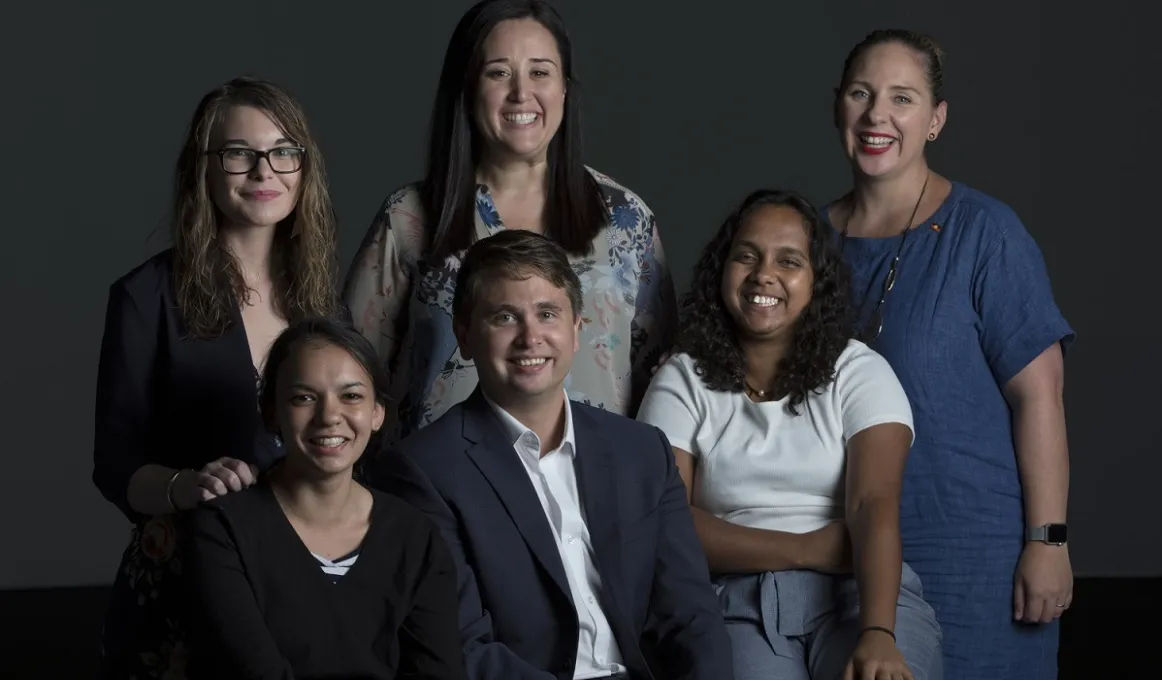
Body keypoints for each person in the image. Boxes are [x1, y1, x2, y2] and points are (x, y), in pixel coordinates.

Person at [823, 29, 1074, 679]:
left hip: (973, 558)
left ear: (935, 121)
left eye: (902, 99)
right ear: (837, 108)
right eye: (862, 93)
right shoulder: (805, 246)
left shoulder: (986, 234)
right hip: (843, 562)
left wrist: (1048, 542)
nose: (878, 115)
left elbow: (1040, 396)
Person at [374, 229, 733, 680]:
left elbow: (692, 618)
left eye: (547, 314)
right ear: (464, 336)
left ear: (577, 329)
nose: (530, 337)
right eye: (505, 317)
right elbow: (462, 646)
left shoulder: (641, 452)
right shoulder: (422, 472)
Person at [637, 189, 943, 680]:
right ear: (722, 270)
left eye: (789, 261)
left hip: (860, 592)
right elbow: (668, 524)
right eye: (747, 256)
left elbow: (873, 506)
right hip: (737, 602)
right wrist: (809, 548)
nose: (764, 274)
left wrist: (878, 635)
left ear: (816, 281)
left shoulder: (861, 372)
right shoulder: (681, 378)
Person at [91, 76, 340, 679]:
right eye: (238, 153)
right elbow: (115, 467)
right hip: (182, 587)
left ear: (303, 170)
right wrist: (185, 486)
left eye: (283, 152)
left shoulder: (323, 304)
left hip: (303, 580)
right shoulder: (144, 297)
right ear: (203, 169)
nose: (264, 171)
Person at [342, 0, 676, 446]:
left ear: (564, 90)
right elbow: (348, 370)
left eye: (540, 72)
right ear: (467, 88)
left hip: (592, 495)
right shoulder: (411, 218)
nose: (521, 93)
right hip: (438, 496)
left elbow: (662, 379)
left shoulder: (625, 218)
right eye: (498, 72)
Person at [182, 317, 466, 680]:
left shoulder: (416, 537)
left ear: (377, 412)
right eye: (304, 398)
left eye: (351, 396)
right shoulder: (223, 528)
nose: (329, 416)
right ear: (272, 413)